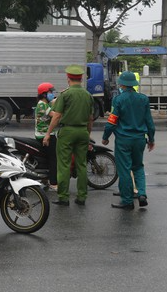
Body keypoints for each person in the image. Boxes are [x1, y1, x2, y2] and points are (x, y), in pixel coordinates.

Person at [102, 71, 155, 210]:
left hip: (123, 140)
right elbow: (149, 122)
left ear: (122, 85)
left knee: (124, 170)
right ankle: (142, 194)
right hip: (139, 140)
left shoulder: (118, 100)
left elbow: (112, 122)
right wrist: (151, 139)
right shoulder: (143, 99)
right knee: (138, 167)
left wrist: (105, 137)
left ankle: (127, 201)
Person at [43, 65, 94, 206]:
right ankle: (82, 197)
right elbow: (90, 119)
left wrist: (48, 133)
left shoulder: (65, 95)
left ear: (68, 78)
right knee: (81, 165)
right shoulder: (88, 95)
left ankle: (63, 197)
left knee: (64, 165)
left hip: (67, 132)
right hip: (83, 132)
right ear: (81, 78)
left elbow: (57, 116)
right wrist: (87, 135)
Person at [35, 82, 58, 191]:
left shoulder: (44, 103)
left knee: (47, 157)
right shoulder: (42, 105)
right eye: (50, 92)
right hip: (45, 136)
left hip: (42, 134)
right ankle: (53, 183)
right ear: (44, 94)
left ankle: (45, 179)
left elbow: (54, 101)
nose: (52, 94)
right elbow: (55, 115)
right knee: (53, 159)